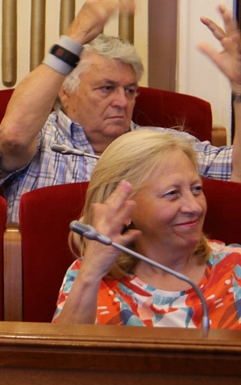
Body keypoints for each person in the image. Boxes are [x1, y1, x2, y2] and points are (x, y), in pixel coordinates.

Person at [0, 0, 241, 222]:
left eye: (130, 90)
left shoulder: (162, 146)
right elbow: (12, 136)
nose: (122, 101)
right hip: (43, 272)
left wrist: (239, 88)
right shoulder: (42, 140)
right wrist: (74, 38)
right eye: (107, 88)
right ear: (66, 93)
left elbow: (236, 172)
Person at [53, 130, 241, 328]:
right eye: (172, 193)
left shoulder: (236, 266)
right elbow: (64, 357)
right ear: (124, 208)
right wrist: (91, 271)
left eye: (196, 189)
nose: (194, 207)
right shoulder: (90, 275)